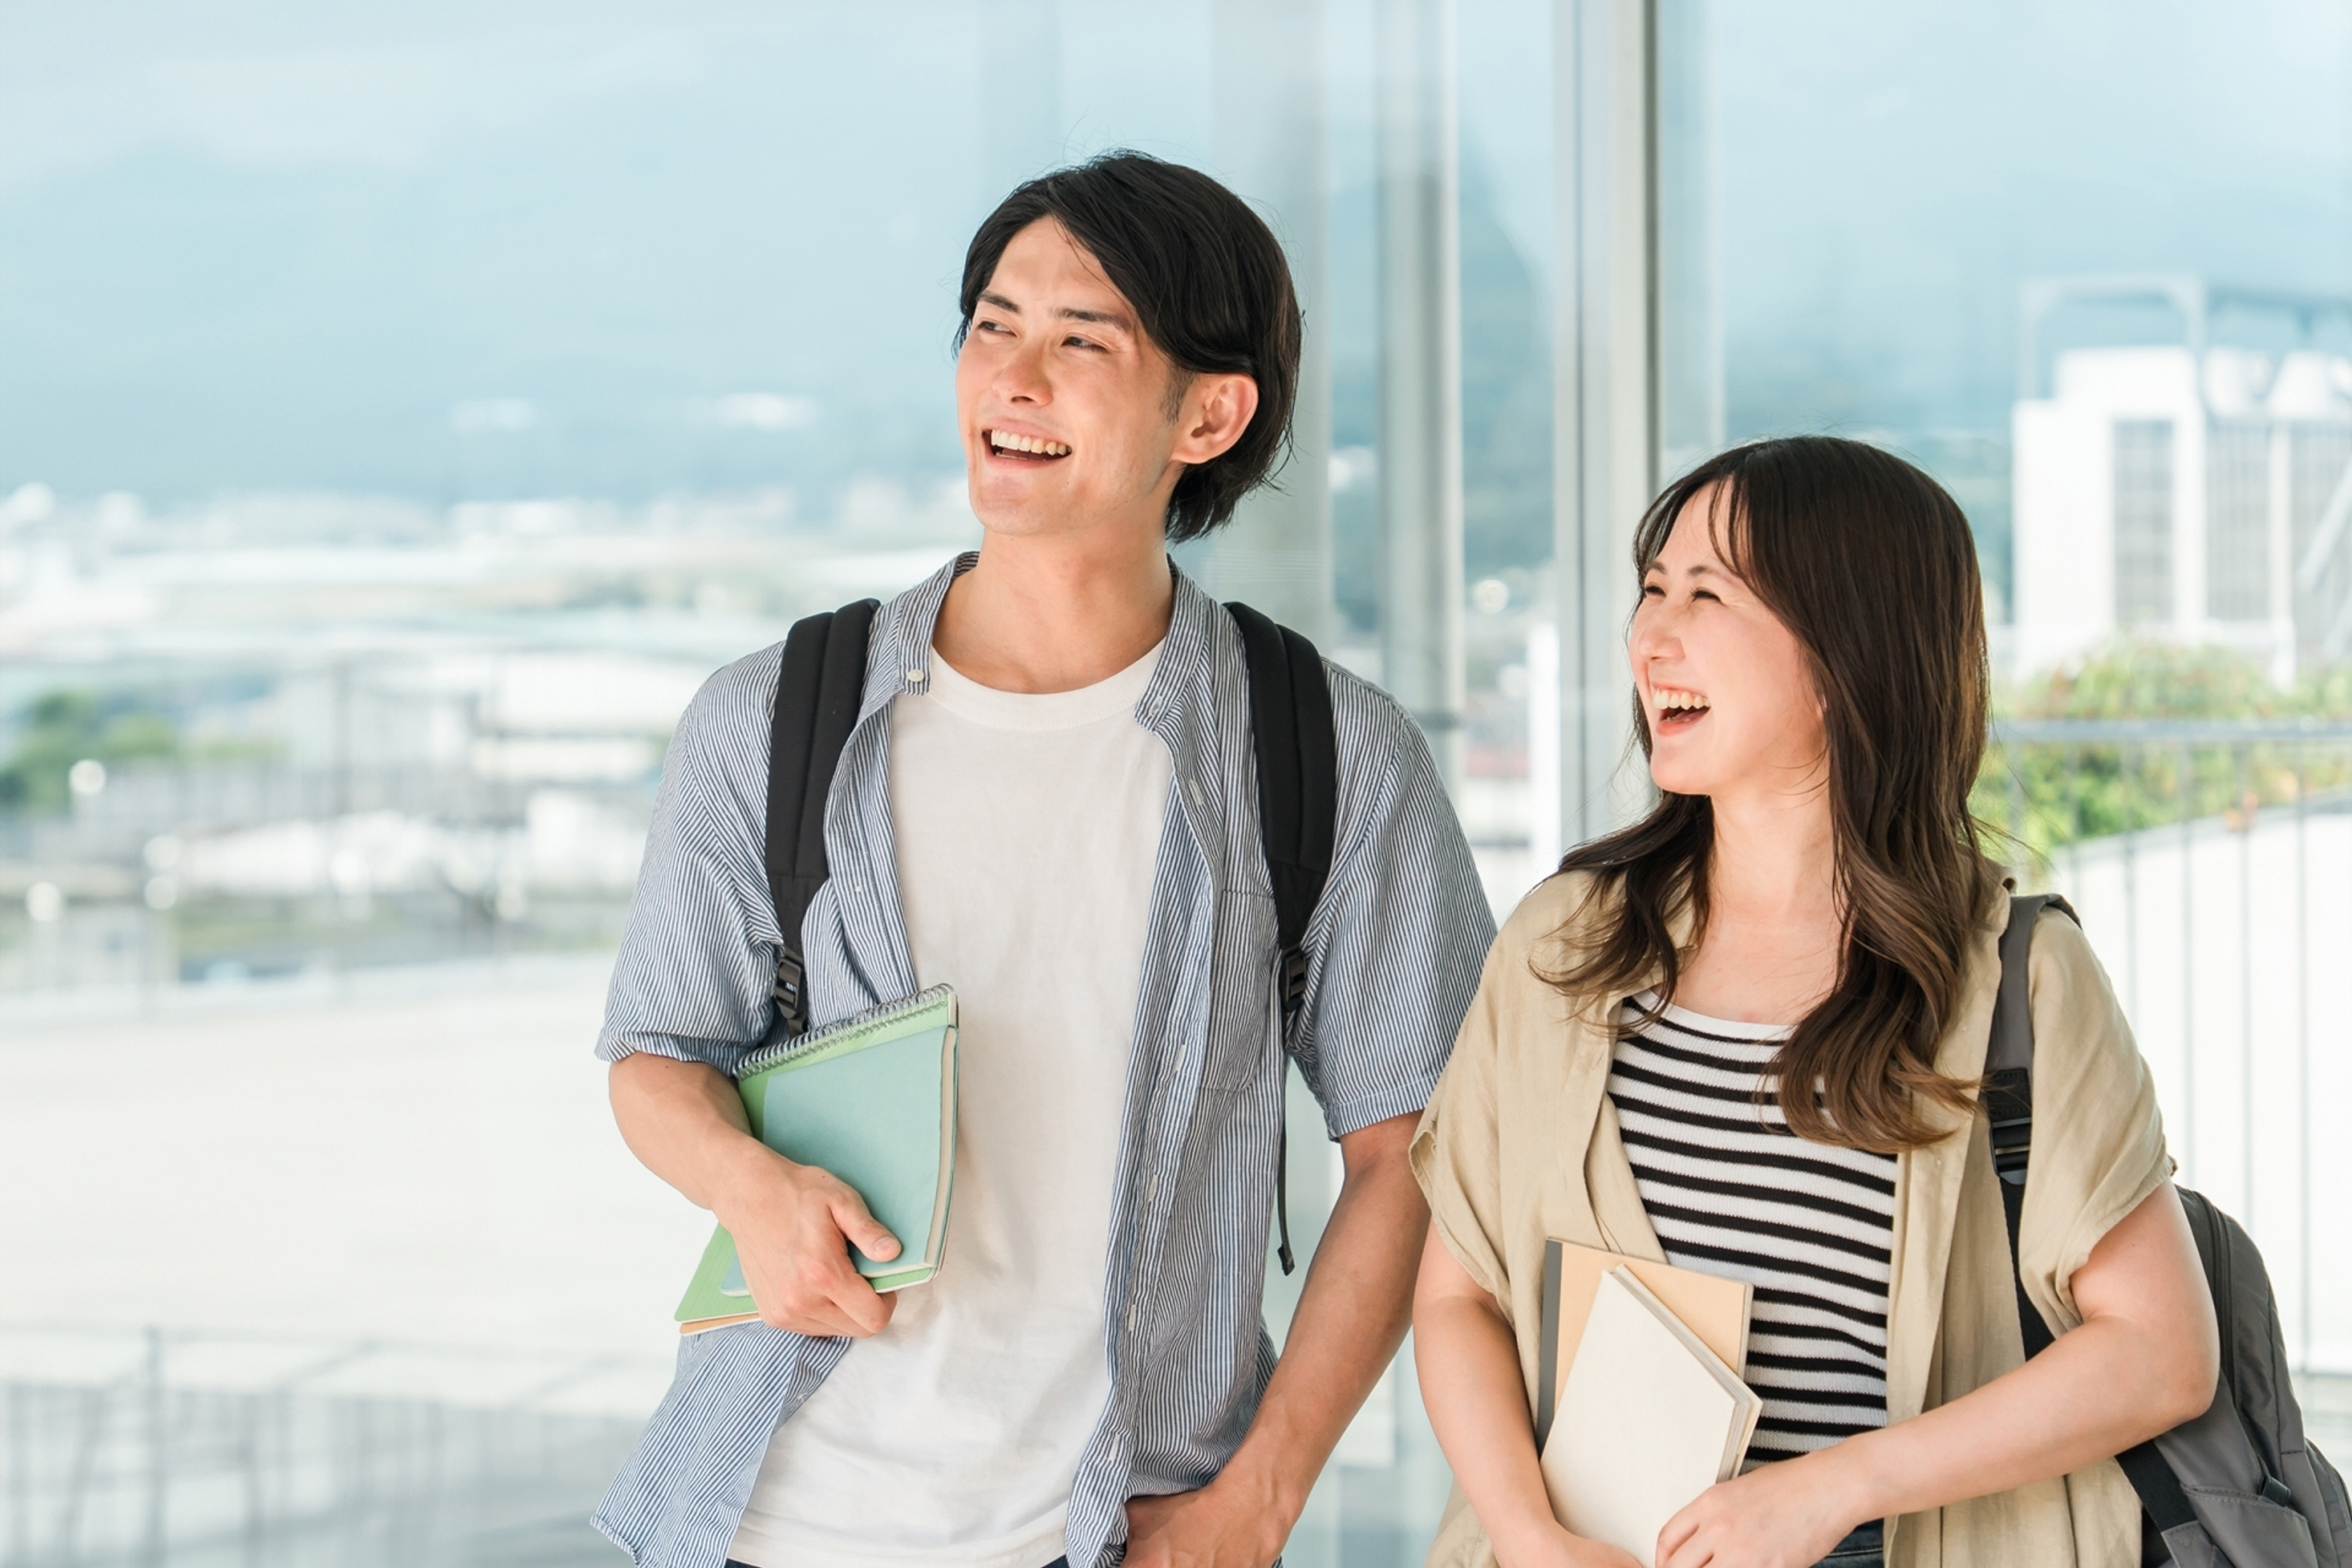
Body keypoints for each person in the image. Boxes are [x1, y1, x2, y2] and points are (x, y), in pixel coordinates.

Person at [591, 151, 1493, 1568]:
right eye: (992, 325)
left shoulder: (1326, 750)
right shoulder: (776, 716)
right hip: (778, 1511)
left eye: (1082, 342)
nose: (1013, 376)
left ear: (1210, 411)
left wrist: (1259, 1500)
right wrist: (749, 1186)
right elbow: (655, 1052)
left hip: (1122, 1527)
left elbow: (1416, 1152)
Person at [1408, 436, 2220, 1568]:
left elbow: (2160, 1352)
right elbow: (1459, 1300)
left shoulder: (2018, 977)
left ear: (1850, 648)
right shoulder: (1566, 944)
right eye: (1651, 591)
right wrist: (1528, 1538)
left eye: (1708, 594)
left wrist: (1829, 1491)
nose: (1653, 636)